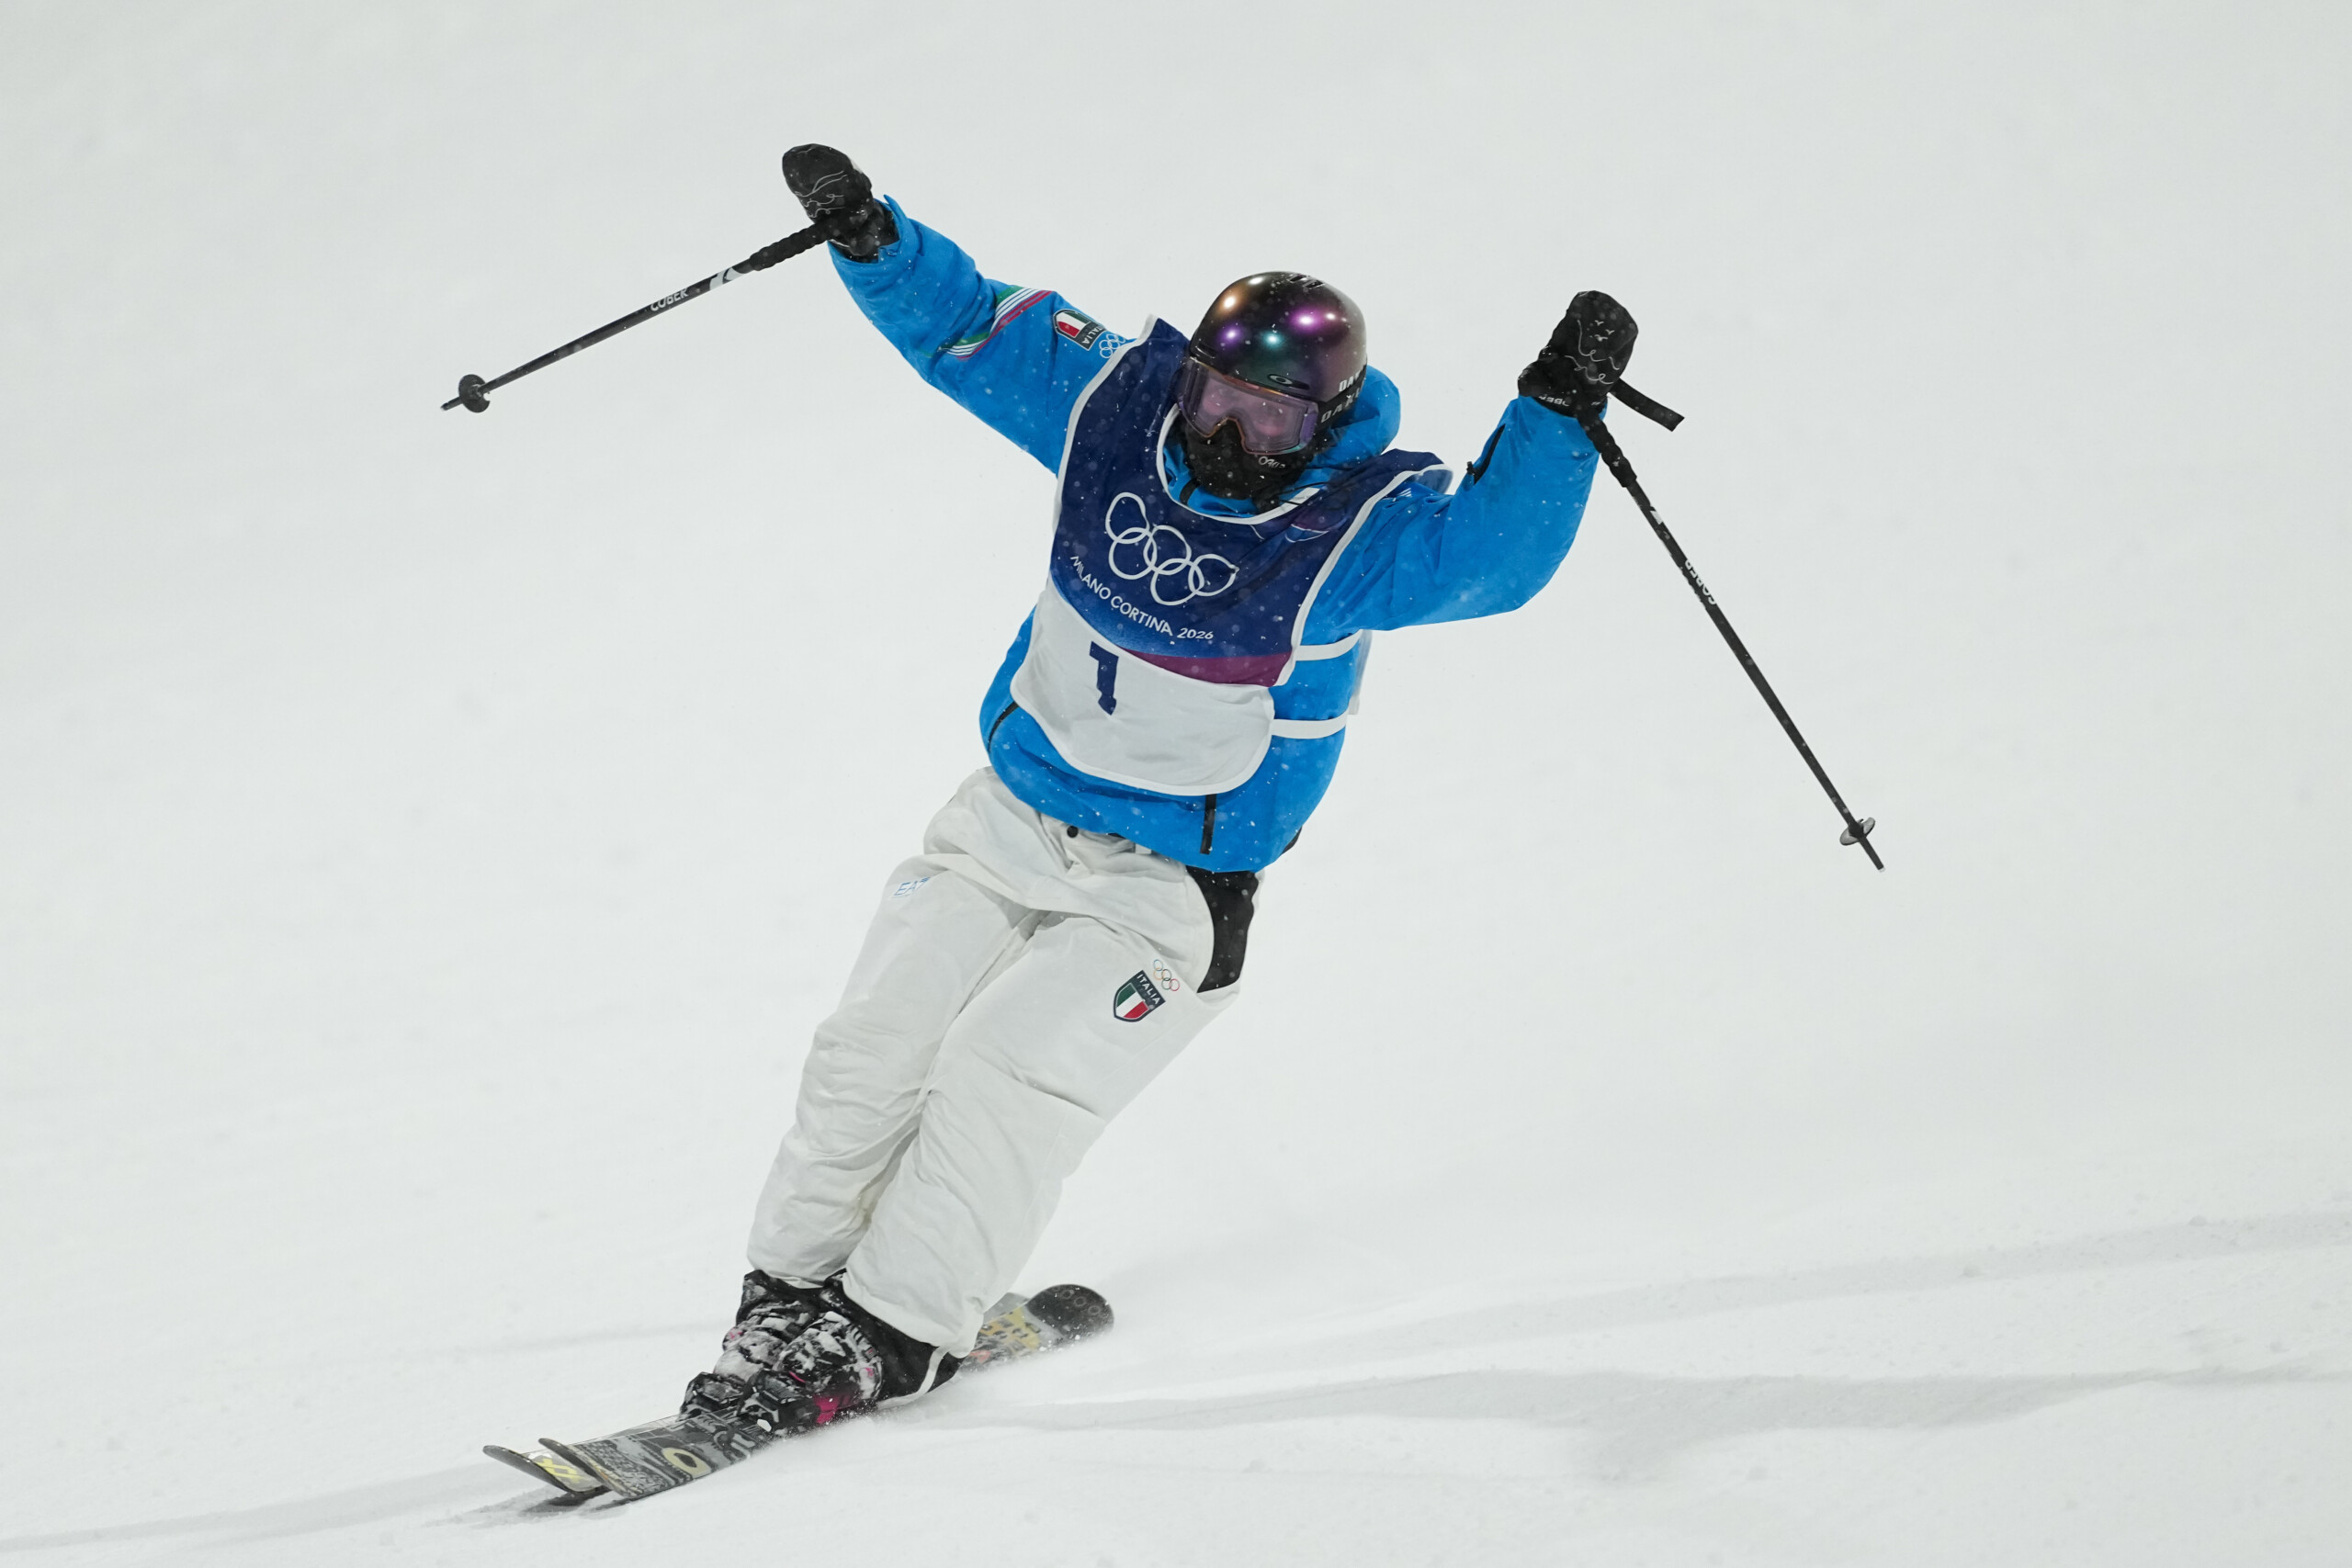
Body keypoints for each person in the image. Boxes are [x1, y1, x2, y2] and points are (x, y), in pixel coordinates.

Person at [681, 144, 1636, 1433]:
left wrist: (1557, 413)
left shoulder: (1356, 532)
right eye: (1220, 399)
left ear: (1328, 422)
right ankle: (789, 1299)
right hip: (1011, 817)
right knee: (872, 1051)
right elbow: (972, 331)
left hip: (1168, 893)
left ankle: (895, 1333)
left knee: (1002, 1078)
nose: (1234, 436)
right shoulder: (1115, 416)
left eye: (1273, 419)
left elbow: (1497, 557)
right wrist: (873, 241)